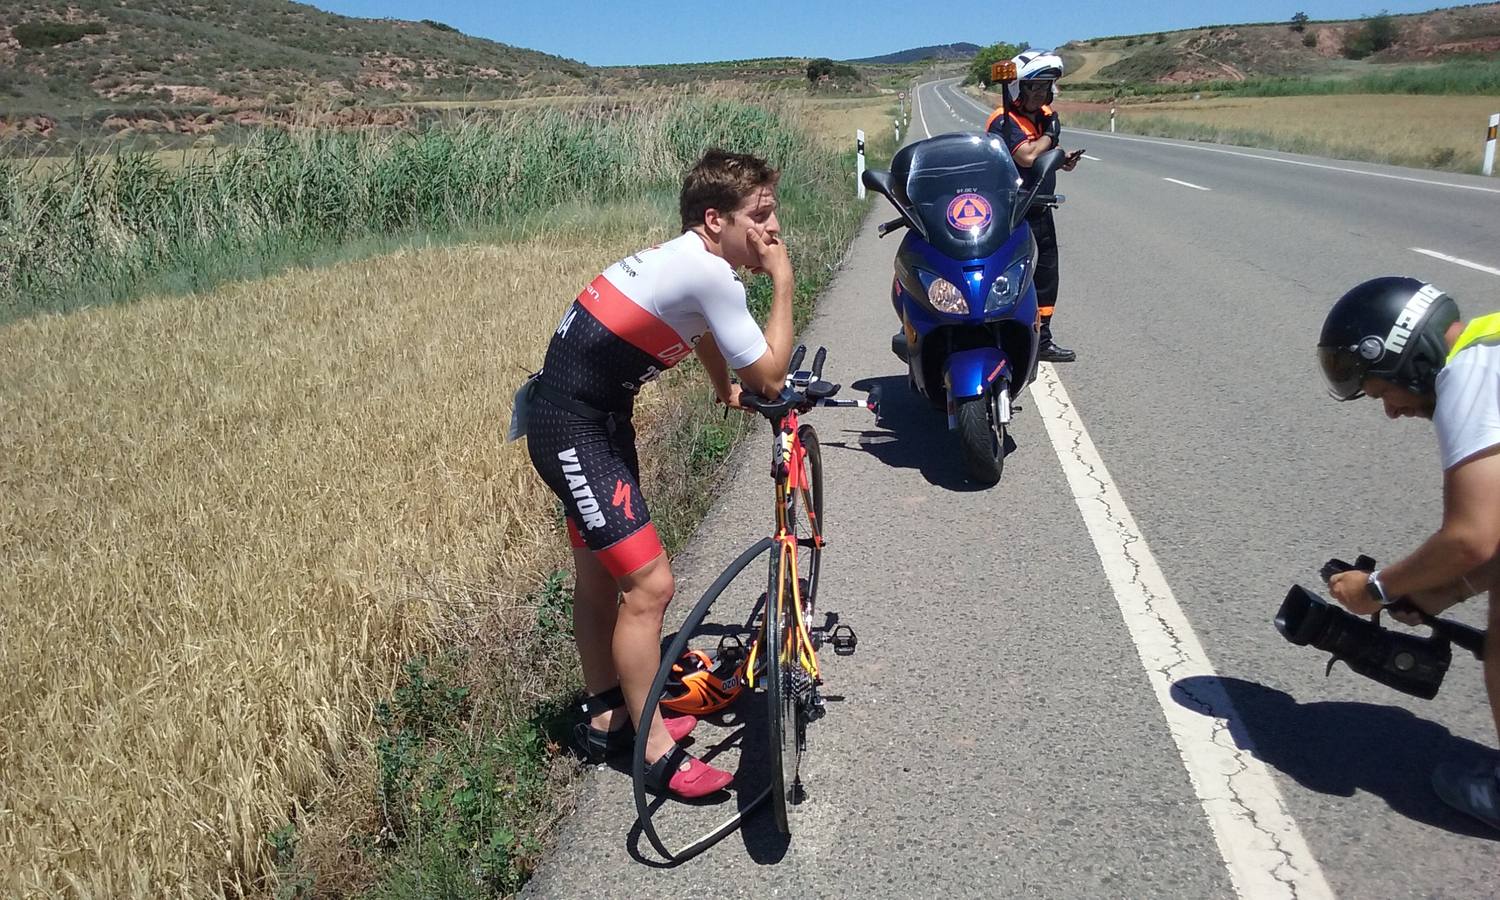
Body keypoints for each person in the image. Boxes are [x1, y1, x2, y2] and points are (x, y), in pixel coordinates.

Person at [519, 149, 797, 799]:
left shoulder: (689, 265)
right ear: (713, 220)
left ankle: (604, 714)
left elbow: (698, 331)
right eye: (759, 216)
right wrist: (782, 280)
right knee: (650, 588)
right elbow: (775, 376)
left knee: (598, 581)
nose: (773, 228)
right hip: (574, 431)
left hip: (588, 420)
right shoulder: (711, 276)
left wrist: (724, 389)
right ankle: (653, 752)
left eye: (773, 213)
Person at [1318, 276, 1500, 830]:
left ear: (1406, 360)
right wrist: (1442, 590)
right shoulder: (1489, 343)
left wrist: (1375, 591)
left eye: (1381, 392)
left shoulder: (1468, 376)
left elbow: (1471, 536)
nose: (1392, 412)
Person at [985, 49, 1082, 363]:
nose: (1040, 93)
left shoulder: (1041, 118)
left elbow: (1039, 159)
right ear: (1017, 88)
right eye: (1033, 87)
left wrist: (1060, 161)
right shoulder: (1002, 119)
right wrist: (1051, 140)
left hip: (1041, 208)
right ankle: (1000, 338)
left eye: (1045, 87)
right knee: (1009, 277)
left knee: (1046, 276)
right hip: (1013, 213)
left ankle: (1042, 340)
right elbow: (1025, 156)